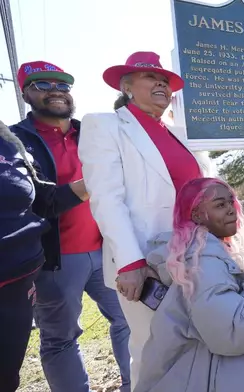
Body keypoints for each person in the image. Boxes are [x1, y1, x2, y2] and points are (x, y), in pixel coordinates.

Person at [78, 51, 207, 388]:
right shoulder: (104, 125)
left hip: (196, 254)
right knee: (154, 350)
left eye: (165, 80)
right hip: (148, 263)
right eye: (151, 77)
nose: (161, 83)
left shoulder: (181, 132)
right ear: (127, 86)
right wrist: (131, 262)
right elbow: (107, 199)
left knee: (197, 344)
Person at [10, 61, 131, 392]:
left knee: (128, 321)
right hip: (55, 261)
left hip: (109, 250)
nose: (55, 92)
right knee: (60, 338)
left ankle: (134, 384)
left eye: (62, 86)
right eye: (43, 85)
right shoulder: (15, 141)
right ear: (25, 93)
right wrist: (88, 184)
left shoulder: (93, 131)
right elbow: (31, 200)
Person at [134, 178, 244, 392]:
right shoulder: (202, 261)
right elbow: (236, 333)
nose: (231, 210)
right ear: (196, 215)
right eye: (220, 205)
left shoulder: (198, 254)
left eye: (231, 202)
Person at [0, 120, 86, 391]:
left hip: (18, 286)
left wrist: (99, 180)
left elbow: (43, 199)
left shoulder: (9, 142)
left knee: (6, 377)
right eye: (42, 83)